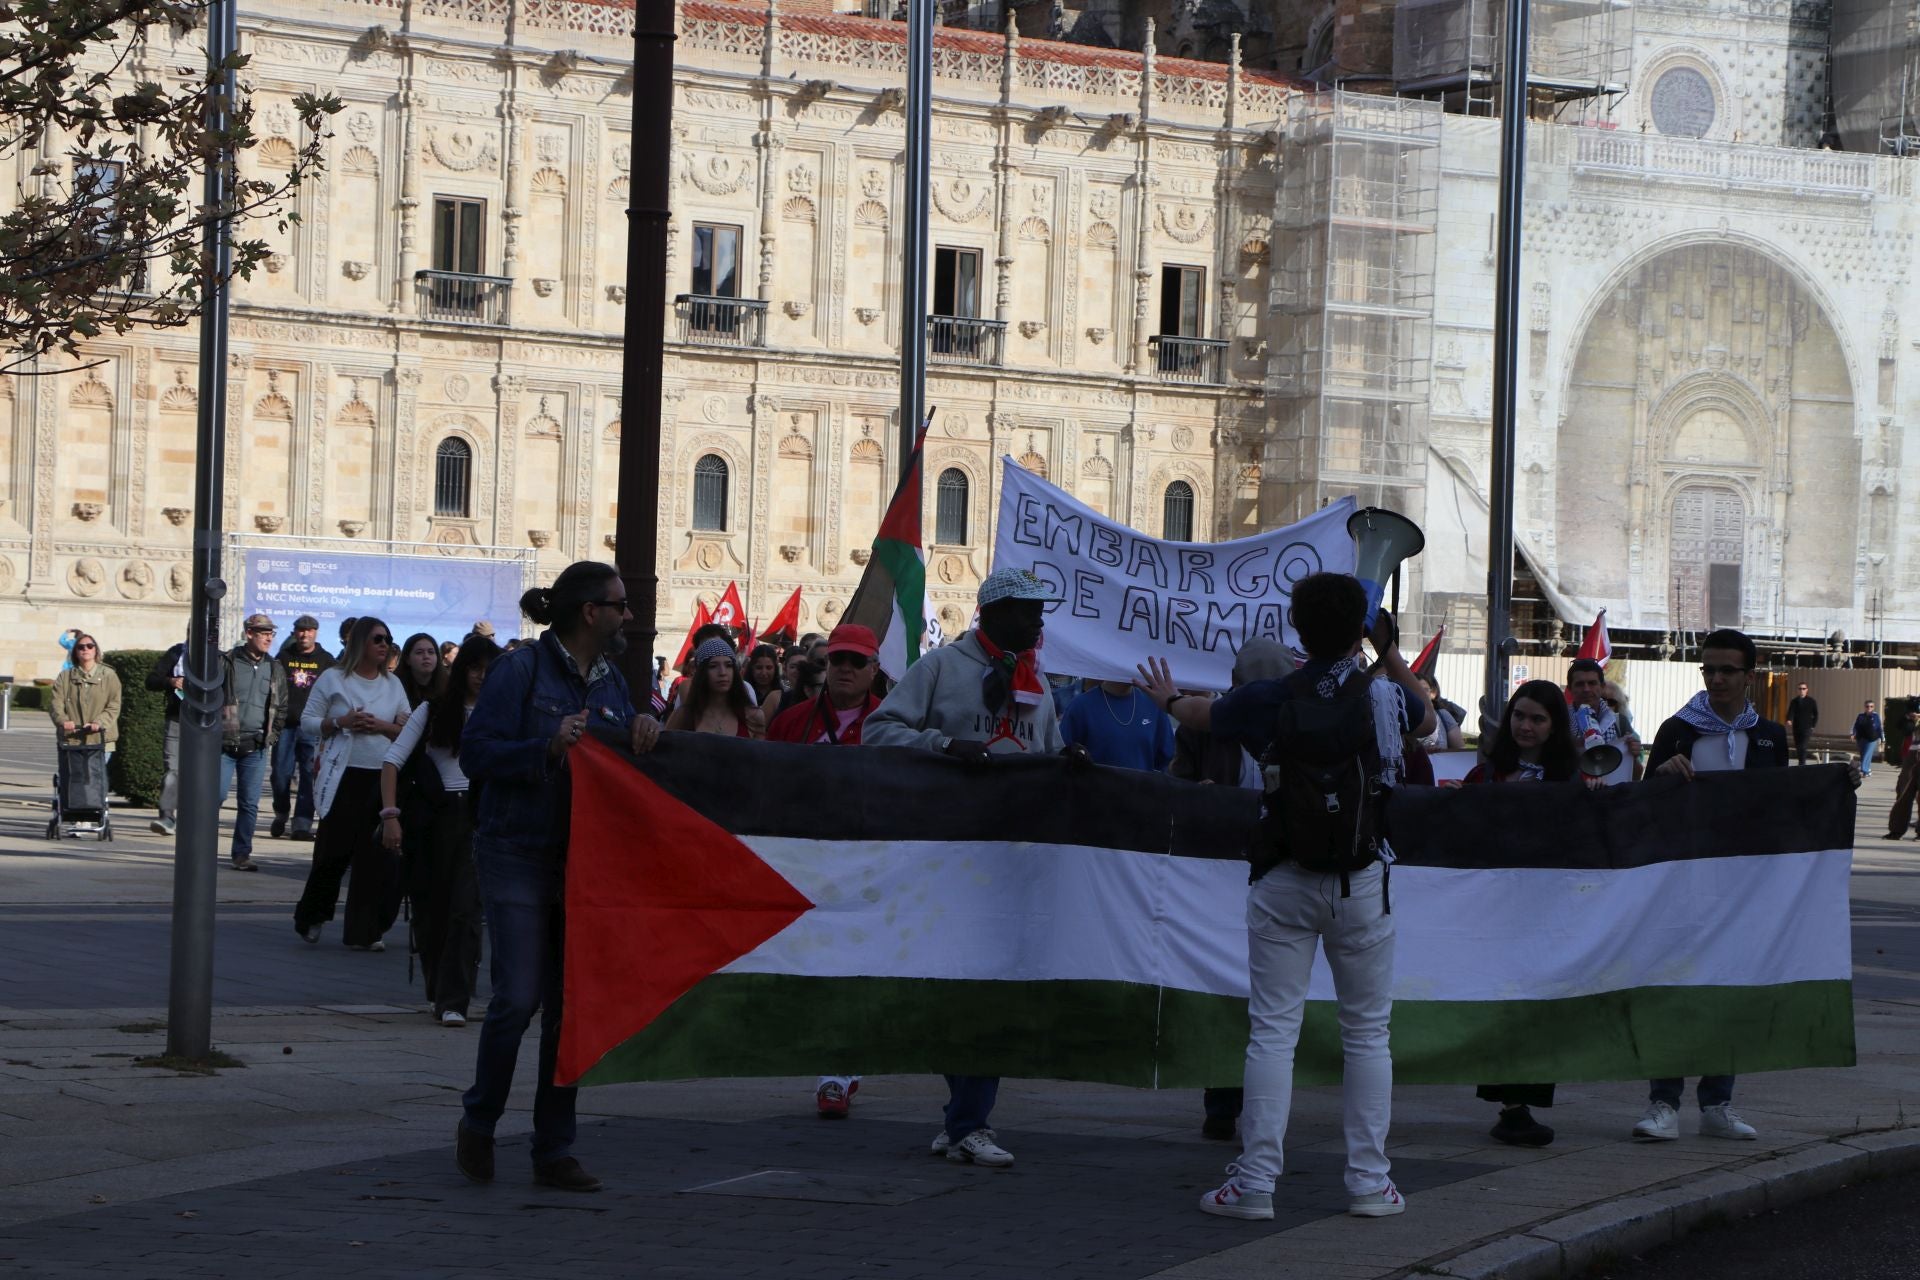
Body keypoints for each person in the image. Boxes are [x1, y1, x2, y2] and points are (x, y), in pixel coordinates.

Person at [1137, 572, 1434, 1222]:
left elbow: (1200, 715)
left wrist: (1164, 698)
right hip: (1361, 881)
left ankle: (1254, 1184)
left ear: (1296, 629)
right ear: (1359, 630)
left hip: (1282, 874)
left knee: (1272, 1033)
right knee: (1368, 1035)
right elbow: (1431, 718)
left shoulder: (1272, 696)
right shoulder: (1384, 696)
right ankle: (1369, 1183)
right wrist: (1384, 653)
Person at [865, 567, 1078, 1171]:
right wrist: (943, 746)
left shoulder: (1038, 681)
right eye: (1031, 611)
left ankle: (965, 1119)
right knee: (964, 990)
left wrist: (1069, 763)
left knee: (990, 991)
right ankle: (967, 1120)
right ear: (994, 613)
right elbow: (881, 729)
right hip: (947, 858)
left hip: (1012, 862)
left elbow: (1047, 751)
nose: (1041, 623)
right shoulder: (941, 668)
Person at [457, 561, 660, 1195]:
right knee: (518, 997)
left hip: (582, 859)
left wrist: (641, 728)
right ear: (588, 612)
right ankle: (480, 1121)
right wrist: (544, 747)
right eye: (620, 605)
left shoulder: (613, 681)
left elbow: (623, 749)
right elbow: (476, 752)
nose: (629, 615)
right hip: (515, 849)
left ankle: (554, 1148)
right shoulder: (520, 669)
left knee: (570, 1010)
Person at [1636, 628, 1790, 1143]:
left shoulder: (1769, 737)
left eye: (1727, 670)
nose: (1717, 678)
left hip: (1742, 889)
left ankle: (1718, 1102)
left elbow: (1779, 806)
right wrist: (1662, 774)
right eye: (1709, 669)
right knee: (1675, 991)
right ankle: (1663, 1102)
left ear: (1750, 675)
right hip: (1683, 884)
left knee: (1730, 992)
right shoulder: (1677, 729)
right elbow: (1642, 807)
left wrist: (1836, 789)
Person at [1167, 637, 1296, 1143]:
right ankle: (1222, 1099)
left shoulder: (1298, 728)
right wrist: (1195, 795)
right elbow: (1177, 782)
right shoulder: (1203, 729)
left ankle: (1261, 1102)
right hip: (1216, 878)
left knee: (1269, 996)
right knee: (1223, 987)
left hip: (1279, 873)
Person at [765, 623, 885, 1118]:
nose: (846, 670)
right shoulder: (792, 722)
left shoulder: (891, 724)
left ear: (875, 670)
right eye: (839, 660)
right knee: (816, 969)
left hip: (870, 866)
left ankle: (837, 1072)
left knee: (851, 969)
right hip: (806, 864)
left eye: (857, 662)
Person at [1460, 680, 1581, 1148]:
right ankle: (1511, 1107)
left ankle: (1522, 1102)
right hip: (1493, 914)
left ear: (1555, 727)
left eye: (1537, 719)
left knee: (1537, 1007)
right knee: (1501, 1005)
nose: (1526, 726)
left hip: (1546, 913)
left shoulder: (1569, 781)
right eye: (1519, 716)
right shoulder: (1486, 776)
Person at [382, 635, 501, 1027]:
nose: (481, 677)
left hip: (482, 816)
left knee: (466, 912)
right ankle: (439, 989)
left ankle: (454, 1000)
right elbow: (392, 761)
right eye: (473, 667)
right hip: (435, 818)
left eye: (488, 669)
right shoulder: (433, 711)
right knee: (433, 911)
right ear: (461, 669)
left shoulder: (503, 712)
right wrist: (390, 815)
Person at [295, 618, 410, 947]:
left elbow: (407, 727)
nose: (384, 644)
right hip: (343, 773)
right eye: (377, 639)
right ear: (360, 642)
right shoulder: (333, 678)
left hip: (381, 775)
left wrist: (381, 726)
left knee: (373, 856)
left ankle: (365, 930)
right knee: (333, 851)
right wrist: (341, 722)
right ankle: (312, 916)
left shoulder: (393, 685)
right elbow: (308, 722)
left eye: (387, 639)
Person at [218, 616, 289, 872]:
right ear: (249, 633)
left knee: (249, 803)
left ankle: (241, 854)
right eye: (263, 633)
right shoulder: (227, 661)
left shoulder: (275, 667)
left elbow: (281, 706)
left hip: (256, 746)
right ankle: (201, 848)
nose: (269, 638)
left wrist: (272, 735)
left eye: (271, 633)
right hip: (225, 743)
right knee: (216, 796)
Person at [271, 615, 334, 840]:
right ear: (294, 633)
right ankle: (281, 812)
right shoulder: (284, 657)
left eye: (308, 631)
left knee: (309, 776)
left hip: (312, 727)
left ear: (316, 633)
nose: (304, 634)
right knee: (280, 774)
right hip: (285, 726)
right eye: (300, 630)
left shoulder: (327, 661)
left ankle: (302, 825)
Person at [1060, 677, 1176, 771]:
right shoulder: (1080, 706)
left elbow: (1167, 762)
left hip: (1142, 796)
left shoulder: (1154, 705)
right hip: (1095, 796)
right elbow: (1061, 759)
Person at [665, 639, 757, 737]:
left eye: (728, 665)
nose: (723, 672)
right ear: (702, 672)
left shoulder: (752, 716)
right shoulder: (683, 716)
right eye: (713, 666)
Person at [49, 633, 122, 756]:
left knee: (96, 774)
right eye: (81, 647)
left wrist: (99, 723)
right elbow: (55, 703)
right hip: (72, 739)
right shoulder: (65, 676)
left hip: (100, 739)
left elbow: (114, 705)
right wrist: (63, 720)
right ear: (75, 652)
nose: (85, 649)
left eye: (89, 646)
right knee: (73, 774)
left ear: (95, 651)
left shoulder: (109, 675)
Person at [145, 638, 187, 834]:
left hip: (205, 724)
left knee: (203, 773)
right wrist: (171, 681)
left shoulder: (219, 657)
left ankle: (197, 816)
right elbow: (152, 680)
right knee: (172, 770)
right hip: (176, 719)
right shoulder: (176, 652)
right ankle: (167, 817)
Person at [1886, 707, 1920, 839]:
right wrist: (1908, 717)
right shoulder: (1914, 709)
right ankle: (1896, 830)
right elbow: (1905, 728)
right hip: (1912, 754)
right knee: (1903, 791)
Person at [1415, 674, 1465, 751]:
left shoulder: (1444, 716)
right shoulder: (1400, 718)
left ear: (1433, 694)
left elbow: (1459, 751)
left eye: (1425, 690)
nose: (1421, 694)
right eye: (1415, 689)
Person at [744, 643, 785, 719]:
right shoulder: (743, 692)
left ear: (775, 669)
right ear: (751, 668)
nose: (764, 673)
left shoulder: (783, 694)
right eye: (759, 668)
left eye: (769, 668)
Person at [1786, 681, 1819, 766]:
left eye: (1803, 689)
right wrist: (1789, 719)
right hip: (1797, 728)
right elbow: (1790, 712)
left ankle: (1802, 764)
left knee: (1803, 746)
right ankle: (1801, 762)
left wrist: (1813, 726)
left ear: (1807, 690)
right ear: (1798, 690)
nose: (1802, 690)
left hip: (1807, 728)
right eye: (1800, 689)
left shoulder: (1811, 701)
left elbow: (1816, 714)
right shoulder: (1794, 701)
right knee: (1798, 746)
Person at [1853, 700, 1883, 777]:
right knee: (1863, 755)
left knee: (1867, 754)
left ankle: (1864, 770)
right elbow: (1856, 726)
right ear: (1865, 707)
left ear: (1873, 707)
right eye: (1867, 706)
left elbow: (1879, 728)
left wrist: (1882, 738)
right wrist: (1853, 734)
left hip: (1872, 739)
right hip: (1861, 738)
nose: (1869, 708)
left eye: (1871, 706)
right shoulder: (1860, 716)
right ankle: (1867, 770)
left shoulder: (1875, 716)